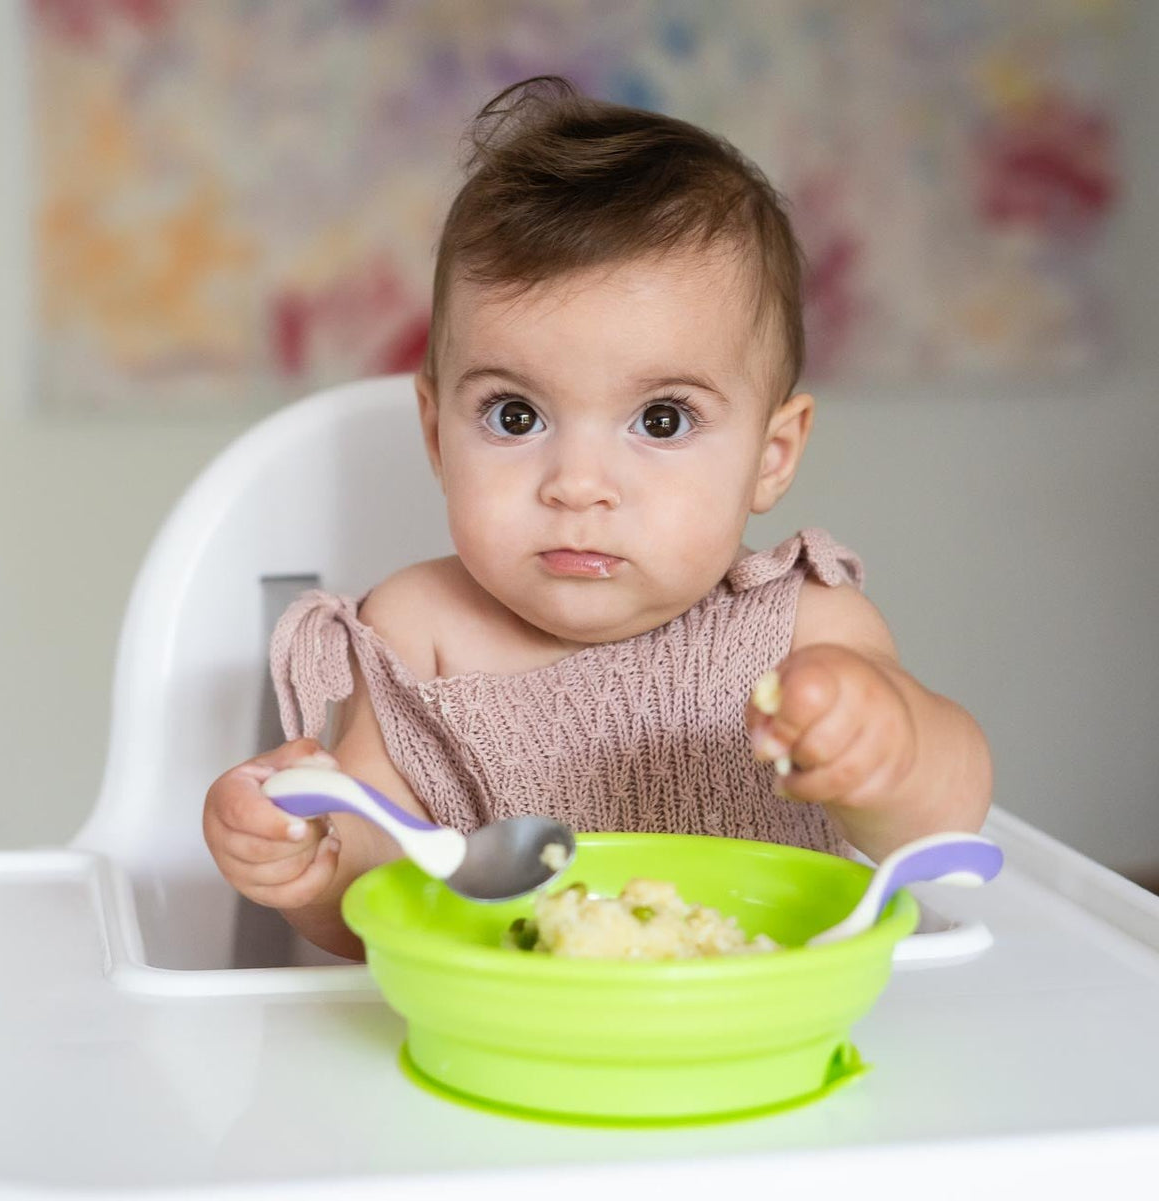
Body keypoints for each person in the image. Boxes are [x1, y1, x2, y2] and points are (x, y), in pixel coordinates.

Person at [203, 76, 992, 960]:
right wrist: (315, 846)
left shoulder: (806, 629)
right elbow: (383, 886)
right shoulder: (417, 636)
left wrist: (886, 749)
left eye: (661, 419)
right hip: (502, 1050)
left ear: (771, 455)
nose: (577, 485)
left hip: (764, 1046)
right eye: (514, 415)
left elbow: (946, 816)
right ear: (436, 431)